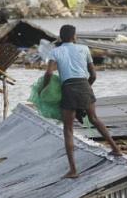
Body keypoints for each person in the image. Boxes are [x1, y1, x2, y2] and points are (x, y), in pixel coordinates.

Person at [40, 25, 122, 178]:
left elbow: (49, 73)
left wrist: (44, 89)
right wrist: (87, 88)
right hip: (84, 85)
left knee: (68, 129)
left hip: (68, 88)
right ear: (74, 36)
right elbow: (94, 75)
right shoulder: (84, 49)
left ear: (61, 37)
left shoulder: (55, 52)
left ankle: (73, 170)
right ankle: (116, 149)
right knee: (95, 119)